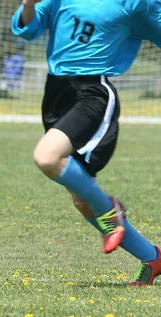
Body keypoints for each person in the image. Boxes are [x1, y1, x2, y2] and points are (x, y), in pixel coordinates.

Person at [11, 0, 161, 286]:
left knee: (47, 157)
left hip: (93, 94)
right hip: (56, 94)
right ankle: (152, 257)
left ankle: (110, 211)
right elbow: (28, 30)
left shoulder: (134, 3)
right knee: (82, 201)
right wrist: (28, 4)